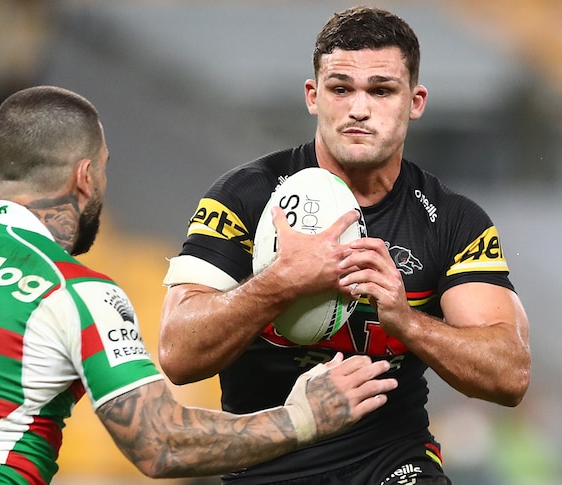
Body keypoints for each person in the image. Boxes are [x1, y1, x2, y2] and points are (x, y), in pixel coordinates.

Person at [0, 85, 398, 485]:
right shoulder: (73, 290)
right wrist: (302, 419)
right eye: (103, 168)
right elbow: (159, 443)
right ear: (84, 176)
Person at [158, 6, 531, 485]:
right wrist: (280, 281)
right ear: (313, 96)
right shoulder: (244, 197)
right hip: (263, 465)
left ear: (415, 101)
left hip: (393, 460)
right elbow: (177, 352)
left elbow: (511, 374)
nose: (359, 109)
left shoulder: (453, 220)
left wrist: (406, 320)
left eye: (381, 90)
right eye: (341, 89)